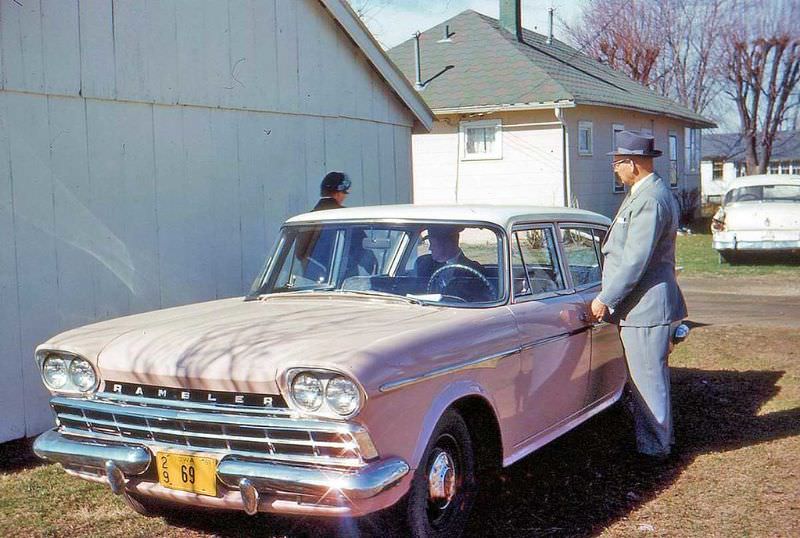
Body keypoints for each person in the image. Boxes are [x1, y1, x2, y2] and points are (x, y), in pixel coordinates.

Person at [590, 130, 688, 460]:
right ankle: (657, 443)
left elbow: (635, 260)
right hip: (644, 306)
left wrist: (606, 298)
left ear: (632, 163)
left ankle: (655, 451)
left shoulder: (649, 199)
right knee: (646, 379)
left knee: (647, 382)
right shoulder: (648, 192)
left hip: (644, 307)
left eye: (618, 163)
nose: (615, 169)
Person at [414, 226, 489, 300]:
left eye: (433, 243)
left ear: (448, 243)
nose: (430, 248)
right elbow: (413, 289)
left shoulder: (475, 271)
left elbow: (479, 301)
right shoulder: (423, 263)